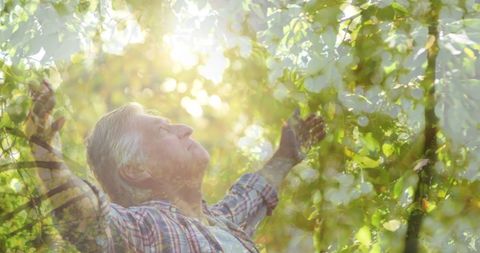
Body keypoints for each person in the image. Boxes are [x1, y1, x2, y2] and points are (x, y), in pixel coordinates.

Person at [25, 81, 325, 253]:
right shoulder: (146, 228)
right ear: (136, 169)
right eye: (162, 130)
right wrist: (46, 154)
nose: (186, 128)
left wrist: (286, 155)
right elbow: (88, 218)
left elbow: (253, 193)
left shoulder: (223, 221)